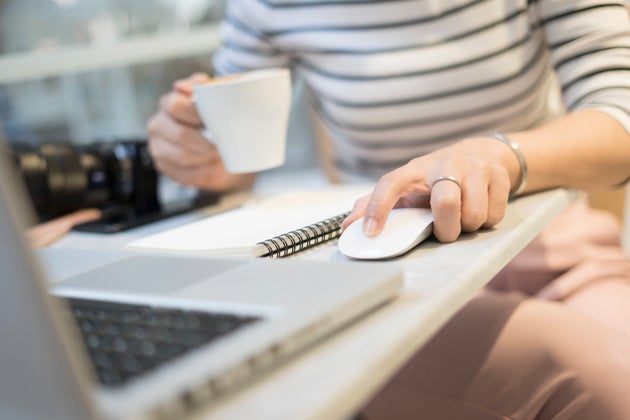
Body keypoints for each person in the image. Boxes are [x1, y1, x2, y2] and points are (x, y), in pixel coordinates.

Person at [147, 0, 630, 418]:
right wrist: (199, 153)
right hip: (395, 276)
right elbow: (235, 155)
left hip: (553, 247)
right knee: (595, 373)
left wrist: (496, 155)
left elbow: (619, 115)